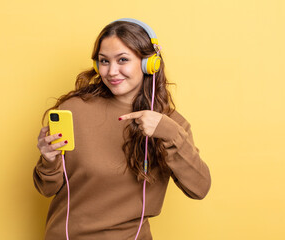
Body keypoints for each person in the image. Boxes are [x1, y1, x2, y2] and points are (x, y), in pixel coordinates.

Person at [33, 18, 211, 240]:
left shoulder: (171, 124)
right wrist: (49, 161)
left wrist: (169, 133)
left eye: (123, 60)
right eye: (104, 61)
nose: (112, 71)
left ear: (149, 63)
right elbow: (47, 189)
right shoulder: (74, 110)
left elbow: (199, 188)